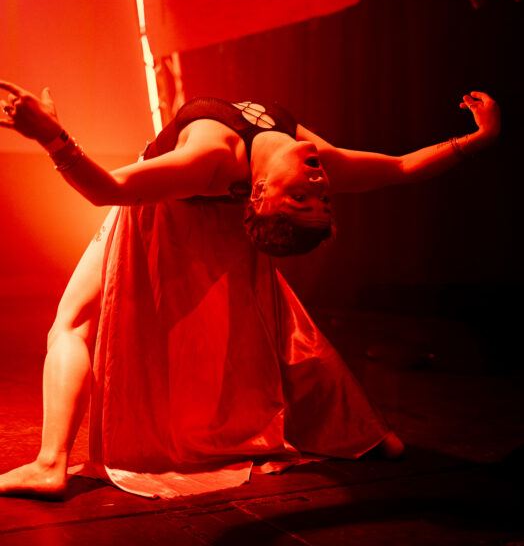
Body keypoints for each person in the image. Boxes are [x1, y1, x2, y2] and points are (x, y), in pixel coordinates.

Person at [0, 82, 500, 499]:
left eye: (301, 196)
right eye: (321, 197)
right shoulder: (311, 156)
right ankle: (365, 433)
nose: (319, 183)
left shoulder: (212, 159)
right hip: (217, 230)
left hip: (163, 223)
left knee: (72, 323)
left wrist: (52, 137)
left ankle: (50, 464)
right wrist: (481, 138)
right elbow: (401, 167)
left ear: (258, 193)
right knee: (284, 327)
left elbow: (109, 190)